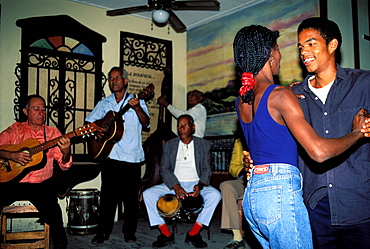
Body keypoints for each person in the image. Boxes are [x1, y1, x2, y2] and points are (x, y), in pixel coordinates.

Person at [233, 25, 369, 248]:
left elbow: (270, 138)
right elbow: (318, 152)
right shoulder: (282, 94)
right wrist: (358, 132)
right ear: (269, 54)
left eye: (311, 43)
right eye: (278, 49)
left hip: (254, 196)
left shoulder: (242, 100)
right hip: (281, 195)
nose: (282, 56)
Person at [291, 17, 370, 248]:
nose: (304, 51)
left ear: (332, 45)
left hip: (360, 202)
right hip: (316, 207)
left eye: (311, 43)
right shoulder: (294, 95)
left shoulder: (364, 83)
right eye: (300, 47)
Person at [87, 66, 150, 244]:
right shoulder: (104, 103)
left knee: (130, 200)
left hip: (131, 157)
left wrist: (138, 108)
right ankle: (102, 233)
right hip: (110, 156)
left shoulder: (136, 100)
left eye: (117, 78)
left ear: (125, 81)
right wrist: (97, 130)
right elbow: (89, 123)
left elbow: (146, 124)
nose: (113, 81)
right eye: (110, 78)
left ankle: (129, 233)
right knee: (108, 199)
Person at [0, 94, 72, 249]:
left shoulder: (53, 133)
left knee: (53, 211)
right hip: (15, 182)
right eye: (36, 109)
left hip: (42, 185)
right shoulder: (15, 130)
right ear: (26, 112)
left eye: (43, 109)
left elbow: (65, 165)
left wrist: (66, 152)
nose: (41, 113)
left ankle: (61, 245)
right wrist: (11, 155)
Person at [143, 114, 221, 248]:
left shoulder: (203, 144)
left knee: (216, 195)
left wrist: (200, 185)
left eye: (185, 125)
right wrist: (176, 186)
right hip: (174, 183)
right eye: (179, 125)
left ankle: (194, 233)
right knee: (147, 194)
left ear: (192, 127)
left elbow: (207, 169)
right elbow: (165, 169)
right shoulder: (169, 145)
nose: (181, 128)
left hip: (196, 182)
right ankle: (165, 233)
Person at [219, 138, 247, 249]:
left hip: (267, 176)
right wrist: (244, 169)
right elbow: (233, 167)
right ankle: (237, 237)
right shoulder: (240, 141)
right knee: (226, 186)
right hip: (245, 179)